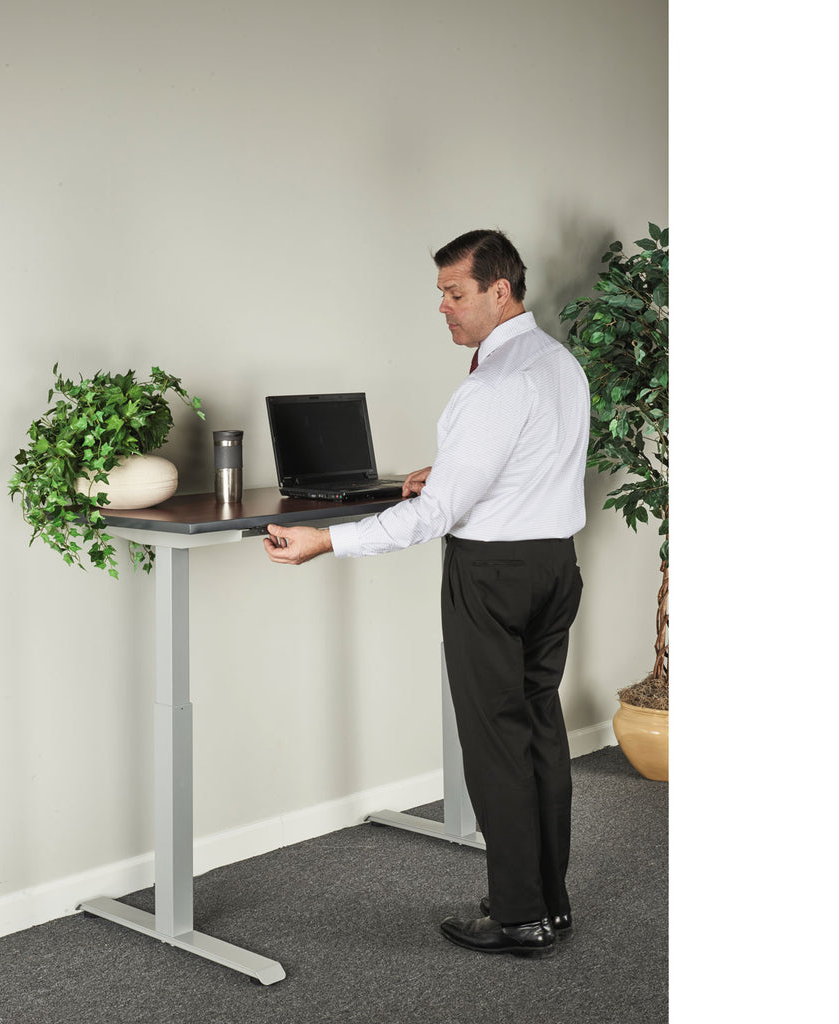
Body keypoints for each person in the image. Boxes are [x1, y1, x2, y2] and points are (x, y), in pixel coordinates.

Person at [263, 228, 590, 958]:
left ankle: (517, 916)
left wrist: (328, 541)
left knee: (495, 742)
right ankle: (549, 903)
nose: (443, 307)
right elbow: (532, 462)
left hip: (492, 577)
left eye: (455, 293)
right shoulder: (559, 364)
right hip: (553, 566)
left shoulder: (491, 385)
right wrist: (446, 473)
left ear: (499, 291)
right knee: (538, 729)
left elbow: (434, 517)